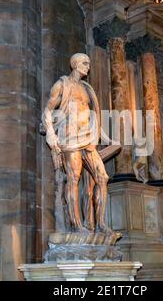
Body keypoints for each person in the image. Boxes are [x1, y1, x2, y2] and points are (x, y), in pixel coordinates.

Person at [42, 53, 112, 234]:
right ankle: (76, 225)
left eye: (88, 63)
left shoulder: (87, 88)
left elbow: (92, 113)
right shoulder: (62, 85)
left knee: (102, 177)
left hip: (87, 137)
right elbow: (48, 111)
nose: (88, 66)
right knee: (74, 178)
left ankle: (101, 224)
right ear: (74, 64)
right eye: (84, 63)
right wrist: (50, 133)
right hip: (69, 137)